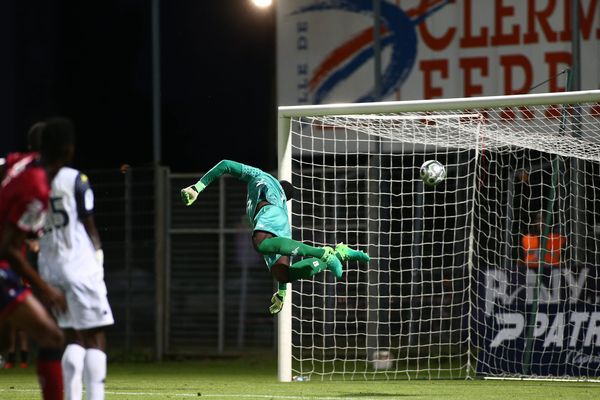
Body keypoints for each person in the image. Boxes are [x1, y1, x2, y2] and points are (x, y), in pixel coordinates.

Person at [180, 159, 370, 315]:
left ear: (279, 186)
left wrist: (197, 187)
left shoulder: (261, 176)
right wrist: (281, 292)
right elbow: (281, 250)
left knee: (261, 245)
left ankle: (324, 254)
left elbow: (225, 164)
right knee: (283, 273)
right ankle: (337, 253)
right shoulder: (282, 217)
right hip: (278, 224)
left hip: (268, 211)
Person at [36, 118, 114, 400]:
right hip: (79, 265)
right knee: (94, 335)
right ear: (68, 149)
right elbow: (89, 225)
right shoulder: (75, 179)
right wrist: (98, 257)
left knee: (70, 334)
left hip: (49, 268)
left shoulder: (34, 180)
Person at [0, 120, 72, 400]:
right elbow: (6, 248)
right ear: (68, 152)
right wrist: (45, 289)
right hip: (3, 267)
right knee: (52, 337)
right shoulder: (38, 189)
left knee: (5, 340)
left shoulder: (21, 162)